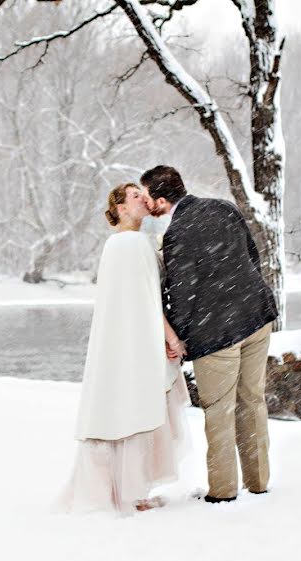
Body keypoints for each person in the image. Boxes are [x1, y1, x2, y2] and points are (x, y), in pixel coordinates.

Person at [140, 165, 278, 504]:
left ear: (160, 199)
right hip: (257, 315)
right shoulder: (222, 207)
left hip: (218, 333)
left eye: (146, 197)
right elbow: (252, 257)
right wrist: (242, 296)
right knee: (253, 401)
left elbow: (182, 292)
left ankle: (223, 490)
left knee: (219, 410)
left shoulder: (178, 232)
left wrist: (178, 338)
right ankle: (258, 482)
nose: (146, 205)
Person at [59, 183, 190, 515]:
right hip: (137, 339)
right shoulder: (132, 243)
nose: (143, 199)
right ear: (120, 208)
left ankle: (128, 488)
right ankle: (133, 490)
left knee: (123, 402)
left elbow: (136, 298)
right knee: (139, 403)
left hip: (124, 337)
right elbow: (147, 299)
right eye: (134, 196)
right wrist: (171, 337)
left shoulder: (116, 245)